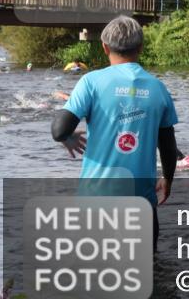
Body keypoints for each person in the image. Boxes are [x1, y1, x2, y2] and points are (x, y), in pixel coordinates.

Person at [51, 15, 179, 251]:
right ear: (141, 47)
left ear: (105, 47)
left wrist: (68, 138)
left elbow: (59, 130)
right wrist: (167, 179)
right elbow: (168, 146)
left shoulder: (90, 82)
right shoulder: (158, 88)